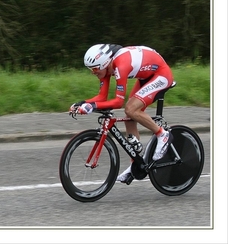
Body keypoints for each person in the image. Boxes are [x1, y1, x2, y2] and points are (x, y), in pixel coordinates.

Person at [69, 44, 174, 184]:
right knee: (129, 118)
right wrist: (82, 103)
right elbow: (102, 97)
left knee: (130, 109)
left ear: (105, 63)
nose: (92, 72)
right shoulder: (105, 68)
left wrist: (91, 107)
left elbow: (118, 101)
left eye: (94, 69)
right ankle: (135, 164)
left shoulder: (120, 65)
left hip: (161, 74)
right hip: (146, 77)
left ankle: (162, 135)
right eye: (90, 69)